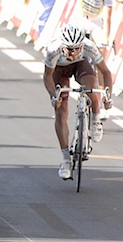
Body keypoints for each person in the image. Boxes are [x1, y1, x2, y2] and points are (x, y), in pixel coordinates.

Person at [43, 23, 113, 179]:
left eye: (76, 49)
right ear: (62, 45)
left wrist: (108, 97)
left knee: (91, 89)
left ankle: (95, 119)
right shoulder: (53, 50)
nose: (72, 52)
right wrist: (54, 96)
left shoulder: (89, 47)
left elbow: (106, 73)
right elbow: (47, 76)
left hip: (80, 66)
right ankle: (66, 160)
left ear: (82, 46)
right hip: (59, 70)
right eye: (69, 49)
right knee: (61, 111)